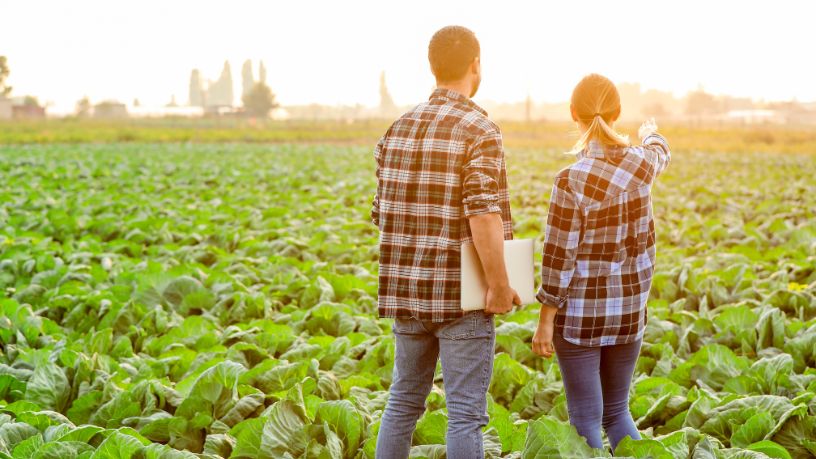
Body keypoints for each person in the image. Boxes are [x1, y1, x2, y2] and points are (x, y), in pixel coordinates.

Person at [371, 25, 521, 459]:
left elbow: (381, 214)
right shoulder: (480, 129)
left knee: (402, 403)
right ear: (476, 64)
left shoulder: (396, 129)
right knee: (465, 413)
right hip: (462, 296)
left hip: (406, 292)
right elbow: (483, 212)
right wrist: (497, 283)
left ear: (432, 67)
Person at [531, 73, 671, 453]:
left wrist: (546, 321)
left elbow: (558, 258)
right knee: (617, 414)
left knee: (587, 421)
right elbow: (661, 152)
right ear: (618, 112)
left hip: (580, 319)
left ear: (573, 113)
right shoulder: (643, 165)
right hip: (629, 314)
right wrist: (649, 132)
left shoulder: (570, 180)